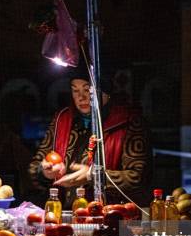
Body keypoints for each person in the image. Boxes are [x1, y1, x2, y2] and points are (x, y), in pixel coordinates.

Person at [28, 66, 152, 208]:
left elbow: (138, 177)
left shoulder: (129, 121)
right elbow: (35, 166)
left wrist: (93, 175)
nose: (81, 97)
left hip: (113, 214)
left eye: (87, 90)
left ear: (105, 93)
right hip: (65, 212)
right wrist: (44, 173)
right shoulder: (62, 119)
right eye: (75, 90)